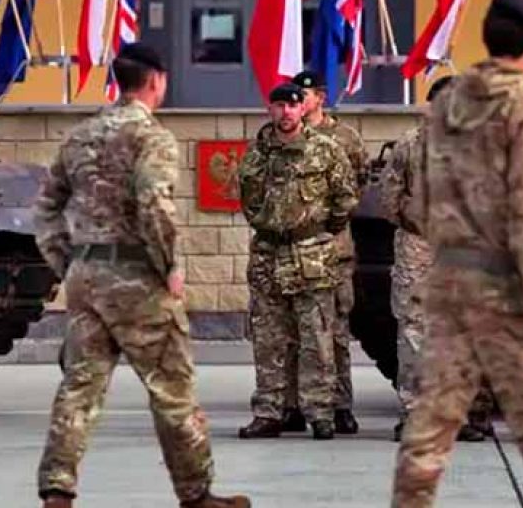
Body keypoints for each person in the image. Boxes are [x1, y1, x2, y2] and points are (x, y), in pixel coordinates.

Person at [392, 0, 523, 508]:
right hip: (506, 288)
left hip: (447, 281)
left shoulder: (448, 103)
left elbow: (423, 197)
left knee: (431, 421)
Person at [33, 43, 249, 508]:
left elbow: (46, 207)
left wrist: (66, 262)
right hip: (136, 275)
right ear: (155, 82)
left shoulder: (80, 136)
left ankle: (57, 489)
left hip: (86, 275)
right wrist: (169, 264)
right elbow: (154, 202)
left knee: (80, 384)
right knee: (172, 385)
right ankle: (196, 494)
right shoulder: (152, 137)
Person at [237, 83, 358, 441]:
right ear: (270, 109)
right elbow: (249, 203)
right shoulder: (256, 154)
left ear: (302, 109)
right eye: (279, 106)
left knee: (316, 338)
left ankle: (320, 412)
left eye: (293, 106)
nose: (286, 112)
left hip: (312, 256)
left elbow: (345, 199)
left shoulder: (326, 150)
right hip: (268, 256)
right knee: (269, 339)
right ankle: (269, 412)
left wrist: (316, 230)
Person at [378, 76, 495, 443]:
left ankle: (468, 413)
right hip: (419, 247)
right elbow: (390, 197)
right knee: (414, 331)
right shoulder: (410, 147)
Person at [290, 69, 368, 435]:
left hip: (333, 248)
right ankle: (293, 404)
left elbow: (359, 185)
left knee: (334, 331)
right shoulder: (281, 136)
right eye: (293, 96)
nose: (298, 102)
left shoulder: (345, 138)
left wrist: (332, 223)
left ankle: (340, 404)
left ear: (320, 97)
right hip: (291, 251)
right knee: (292, 331)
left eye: (304, 96)